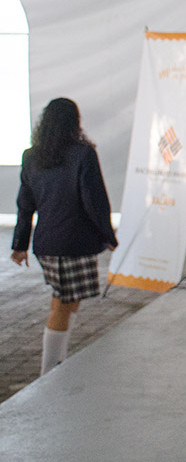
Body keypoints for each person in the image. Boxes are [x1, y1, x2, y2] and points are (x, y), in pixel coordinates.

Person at [11, 97, 118, 376]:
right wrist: (109, 237)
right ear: (75, 122)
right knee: (62, 303)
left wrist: (20, 245)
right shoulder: (83, 154)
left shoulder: (31, 156)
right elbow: (94, 201)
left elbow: (25, 204)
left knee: (67, 301)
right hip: (74, 243)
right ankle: (50, 370)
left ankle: (57, 361)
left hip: (46, 244)